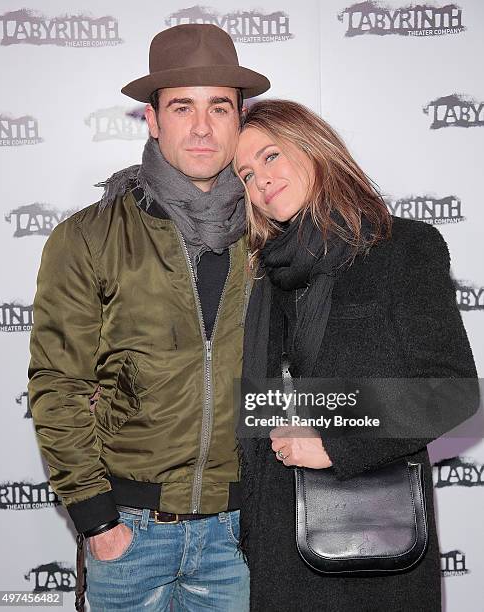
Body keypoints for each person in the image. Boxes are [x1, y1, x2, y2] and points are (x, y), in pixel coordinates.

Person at [28, 24, 269, 611]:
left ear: (240, 118)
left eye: (219, 107)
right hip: (129, 533)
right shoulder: (88, 236)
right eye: (182, 107)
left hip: (241, 535)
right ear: (153, 120)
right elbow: (58, 386)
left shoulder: (272, 234)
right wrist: (97, 522)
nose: (203, 126)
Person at [234, 99, 478, 611]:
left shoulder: (402, 247)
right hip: (276, 544)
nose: (261, 181)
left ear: (313, 147)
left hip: (372, 545)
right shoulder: (264, 274)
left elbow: (451, 389)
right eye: (247, 174)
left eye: (271, 156)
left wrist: (335, 440)